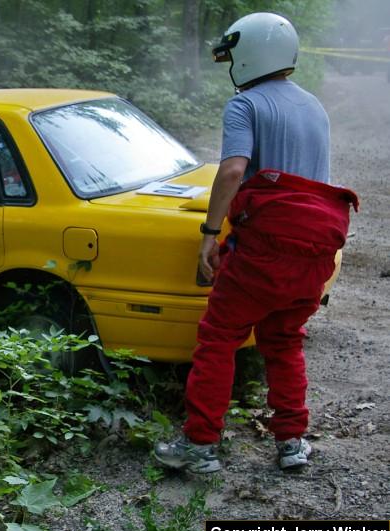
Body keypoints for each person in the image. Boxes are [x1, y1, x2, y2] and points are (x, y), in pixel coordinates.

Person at [154, 12, 359, 473]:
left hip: (264, 251)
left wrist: (210, 234)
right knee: (284, 342)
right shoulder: (314, 107)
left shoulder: (244, 105)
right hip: (314, 253)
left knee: (218, 338)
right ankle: (291, 442)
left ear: (248, 55)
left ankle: (201, 446)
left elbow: (231, 171)